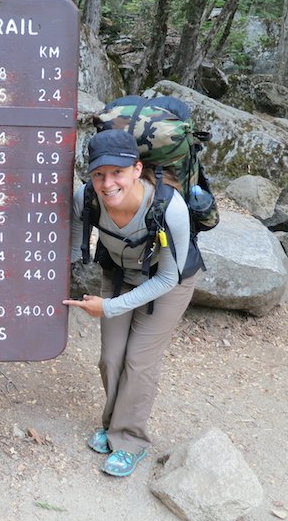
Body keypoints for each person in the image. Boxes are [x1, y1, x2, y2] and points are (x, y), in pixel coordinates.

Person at [63, 129, 199, 478]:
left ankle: (130, 441)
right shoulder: (86, 198)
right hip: (120, 275)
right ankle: (113, 427)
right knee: (111, 358)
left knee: (139, 361)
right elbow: (72, 249)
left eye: (117, 172)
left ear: (137, 169)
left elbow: (169, 278)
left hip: (170, 283)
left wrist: (107, 308)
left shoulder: (169, 207)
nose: (107, 183)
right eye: (98, 174)